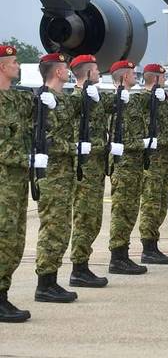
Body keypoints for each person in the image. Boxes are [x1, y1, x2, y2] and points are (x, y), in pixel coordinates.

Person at [33, 53, 79, 302]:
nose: (68, 70)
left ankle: (52, 280)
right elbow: (43, 139)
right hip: (51, 175)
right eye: (64, 67)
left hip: (65, 175)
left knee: (62, 228)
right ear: (58, 72)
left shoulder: (62, 99)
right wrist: (73, 148)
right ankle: (44, 284)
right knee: (52, 227)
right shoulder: (40, 100)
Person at [0, 44, 39, 322]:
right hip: (4, 181)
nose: (18, 65)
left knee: (15, 241)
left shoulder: (17, 99)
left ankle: (3, 295)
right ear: (2, 66)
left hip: (17, 183)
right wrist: (25, 157)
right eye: (13, 61)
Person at [68, 54, 110, 287]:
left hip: (96, 168)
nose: (98, 73)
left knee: (93, 219)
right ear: (87, 73)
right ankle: (78, 269)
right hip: (84, 169)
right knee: (85, 217)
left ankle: (83, 265)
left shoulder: (94, 97)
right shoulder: (74, 100)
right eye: (95, 70)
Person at [106, 60, 149, 275]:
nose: (136, 75)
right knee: (122, 211)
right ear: (124, 77)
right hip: (123, 166)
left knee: (130, 210)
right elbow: (115, 137)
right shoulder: (114, 102)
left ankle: (123, 254)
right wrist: (142, 143)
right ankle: (117, 257)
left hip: (134, 166)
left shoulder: (130, 100)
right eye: (132, 73)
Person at [137, 64, 168, 265]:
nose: (165, 81)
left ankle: (153, 243)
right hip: (151, 160)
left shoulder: (161, 99)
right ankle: (148, 247)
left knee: (161, 204)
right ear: (155, 78)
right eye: (162, 77)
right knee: (151, 204)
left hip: (163, 159)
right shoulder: (141, 100)